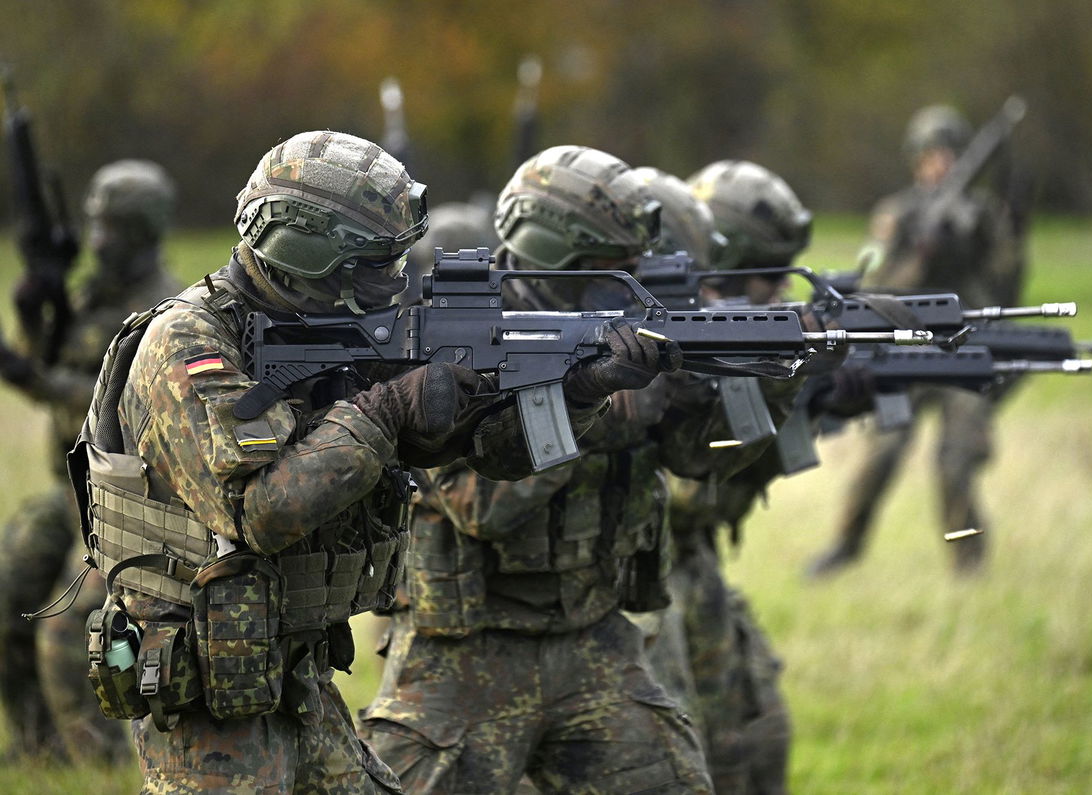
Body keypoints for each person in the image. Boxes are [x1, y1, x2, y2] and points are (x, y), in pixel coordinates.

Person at [71, 131, 653, 792]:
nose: (395, 281)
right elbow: (260, 512)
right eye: (378, 263)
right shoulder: (189, 342)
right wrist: (386, 410)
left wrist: (579, 391)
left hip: (290, 664)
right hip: (205, 686)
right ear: (308, 252)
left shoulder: (334, 317)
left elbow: (490, 453)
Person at [359, 145, 774, 794]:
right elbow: (480, 505)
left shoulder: (626, 325)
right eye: (616, 263)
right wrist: (594, 401)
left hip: (592, 633)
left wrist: (761, 382)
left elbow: (702, 461)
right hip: (466, 649)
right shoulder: (454, 329)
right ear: (559, 253)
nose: (635, 273)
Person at [636, 160, 815, 795]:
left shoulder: (708, 331)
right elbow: (689, 492)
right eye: (765, 273)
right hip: (642, 596)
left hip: (689, 578)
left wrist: (802, 389)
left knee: (753, 740)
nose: (775, 290)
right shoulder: (634, 343)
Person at [0, 160, 180, 762]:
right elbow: (49, 364)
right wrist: (31, 318)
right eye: (96, 225)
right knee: (9, 589)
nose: (99, 241)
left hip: (128, 501)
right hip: (69, 491)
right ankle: (37, 746)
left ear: (147, 232)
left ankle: (97, 763)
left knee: (64, 629)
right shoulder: (88, 297)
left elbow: (115, 397)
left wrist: (36, 378)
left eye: (116, 229)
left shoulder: (166, 311)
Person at [808, 104, 1023, 576]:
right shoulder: (896, 214)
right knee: (881, 456)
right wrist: (919, 256)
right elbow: (870, 277)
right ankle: (847, 545)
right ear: (916, 159)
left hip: (965, 349)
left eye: (949, 154)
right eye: (931, 154)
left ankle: (968, 562)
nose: (940, 164)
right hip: (903, 348)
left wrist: (990, 231)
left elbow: (1008, 275)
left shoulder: (980, 214)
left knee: (956, 464)